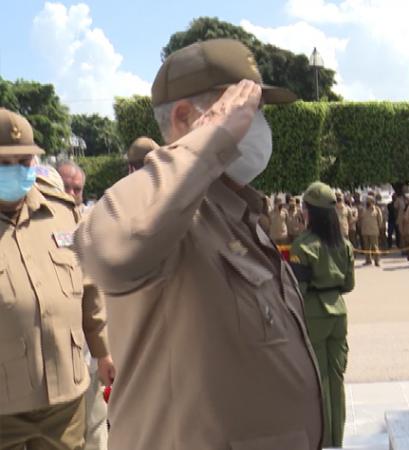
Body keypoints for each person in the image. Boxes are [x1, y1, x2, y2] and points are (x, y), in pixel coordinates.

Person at [74, 39, 323, 450]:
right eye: (245, 110)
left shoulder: (234, 211)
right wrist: (209, 142)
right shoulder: (161, 212)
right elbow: (111, 253)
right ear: (187, 117)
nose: (257, 126)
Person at [0, 108, 113, 450]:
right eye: (5, 163)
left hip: (65, 394)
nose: (16, 171)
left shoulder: (62, 213)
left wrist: (104, 351)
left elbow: (89, 287)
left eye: (24, 161)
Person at [290, 181, 355, 448]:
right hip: (339, 313)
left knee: (319, 381)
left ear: (310, 212)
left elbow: (297, 291)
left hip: (314, 314)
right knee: (336, 379)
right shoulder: (344, 245)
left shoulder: (303, 246)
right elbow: (349, 285)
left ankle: (323, 440)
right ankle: (336, 440)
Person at [56, 159, 109, 450]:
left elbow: (97, 292)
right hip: (54, 357)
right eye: (65, 186)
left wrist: (104, 352)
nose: (71, 194)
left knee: (95, 423)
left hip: (89, 350)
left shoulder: (90, 226)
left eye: (77, 189)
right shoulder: (38, 227)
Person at [359, 195, 383, 266]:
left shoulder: (377, 209)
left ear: (373, 202)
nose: (367, 202)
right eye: (367, 201)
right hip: (365, 231)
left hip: (373, 231)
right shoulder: (363, 209)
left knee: (375, 247)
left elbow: (380, 220)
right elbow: (360, 219)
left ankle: (377, 261)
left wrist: (378, 228)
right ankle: (368, 260)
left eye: (369, 201)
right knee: (366, 247)